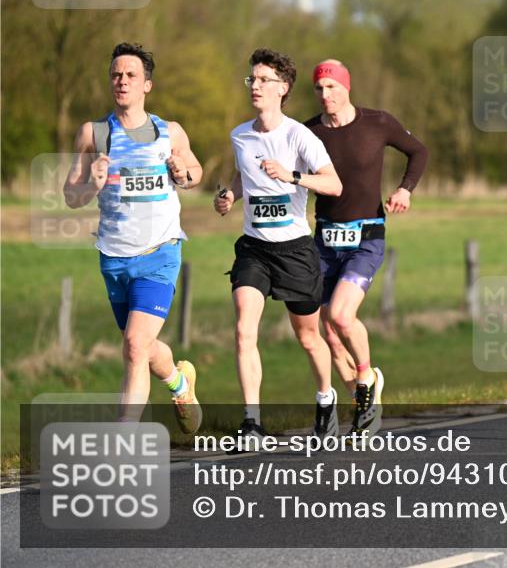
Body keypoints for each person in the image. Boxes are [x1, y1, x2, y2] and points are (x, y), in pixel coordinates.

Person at [63, 42, 203, 432]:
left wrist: (182, 173)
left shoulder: (168, 132)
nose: (121, 81)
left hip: (160, 252)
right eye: (116, 75)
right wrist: (91, 185)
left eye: (130, 75)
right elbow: (71, 196)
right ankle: (179, 382)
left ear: (147, 85)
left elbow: (195, 173)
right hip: (114, 256)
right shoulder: (94, 134)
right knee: (141, 346)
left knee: (135, 345)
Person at [214, 48, 342, 443]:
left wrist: (292, 176)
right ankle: (252, 422)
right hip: (255, 249)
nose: (255, 86)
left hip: (294, 250)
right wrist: (231, 196)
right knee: (242, 329)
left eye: (264, 80)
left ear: (282, 88)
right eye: (251, 79)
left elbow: (333, 184)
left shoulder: (298, 136)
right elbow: (243, 175)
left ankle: (325, 399)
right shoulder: (240, 134)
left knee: (307, 336)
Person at [303, 59, 428, 439]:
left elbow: (418, 151)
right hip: (324, 238)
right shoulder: (307, 132)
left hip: (367, 235)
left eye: (332, 88)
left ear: (347, 87)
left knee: (341, 316)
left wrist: (405, 188)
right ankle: (363, 402)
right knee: (326, 329)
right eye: (319, 89)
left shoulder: (377, 122)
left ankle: (367, 377)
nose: (326, 96)